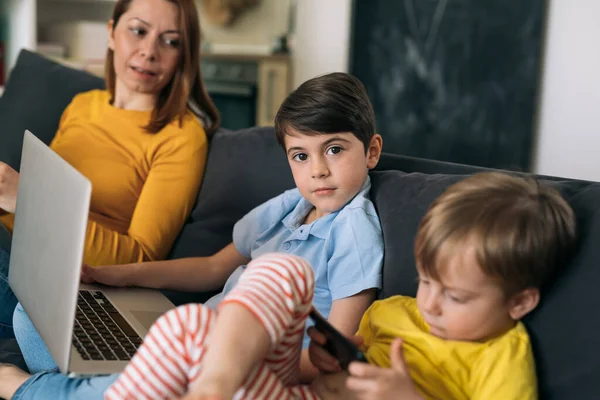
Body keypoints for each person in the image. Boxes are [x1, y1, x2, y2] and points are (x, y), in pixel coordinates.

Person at [0, 71, 385, 399]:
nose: (317, 170)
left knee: (270, 275)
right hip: (203, 347)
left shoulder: (354, 231)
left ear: (371, 152)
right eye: (301, 155)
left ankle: (29, 389)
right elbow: (211, 267)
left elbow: (332, 357)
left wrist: (229, 355)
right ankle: (130, 380)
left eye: (334, 150)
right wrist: (114, 274)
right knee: (32, 315)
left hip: (258, 369)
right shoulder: (290, 205)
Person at [92, 171, 575, 399]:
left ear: (520, 301)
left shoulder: (501, 357)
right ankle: (213, 389)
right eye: (427, 281)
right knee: (196, 319)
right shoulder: (395, 311)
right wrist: (323, 367)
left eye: (456, 296)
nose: (429, 303)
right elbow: (324, 373)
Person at [0, 0, 219, 339]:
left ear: (183, 56)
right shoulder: (83, 105)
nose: (149, 51)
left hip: (74, 284)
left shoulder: (181, 135)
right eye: (138, 31)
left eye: (171, 41)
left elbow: (141, 258)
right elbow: (38, 213)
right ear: (111, 33)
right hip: (21, 254)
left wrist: (29, 201)